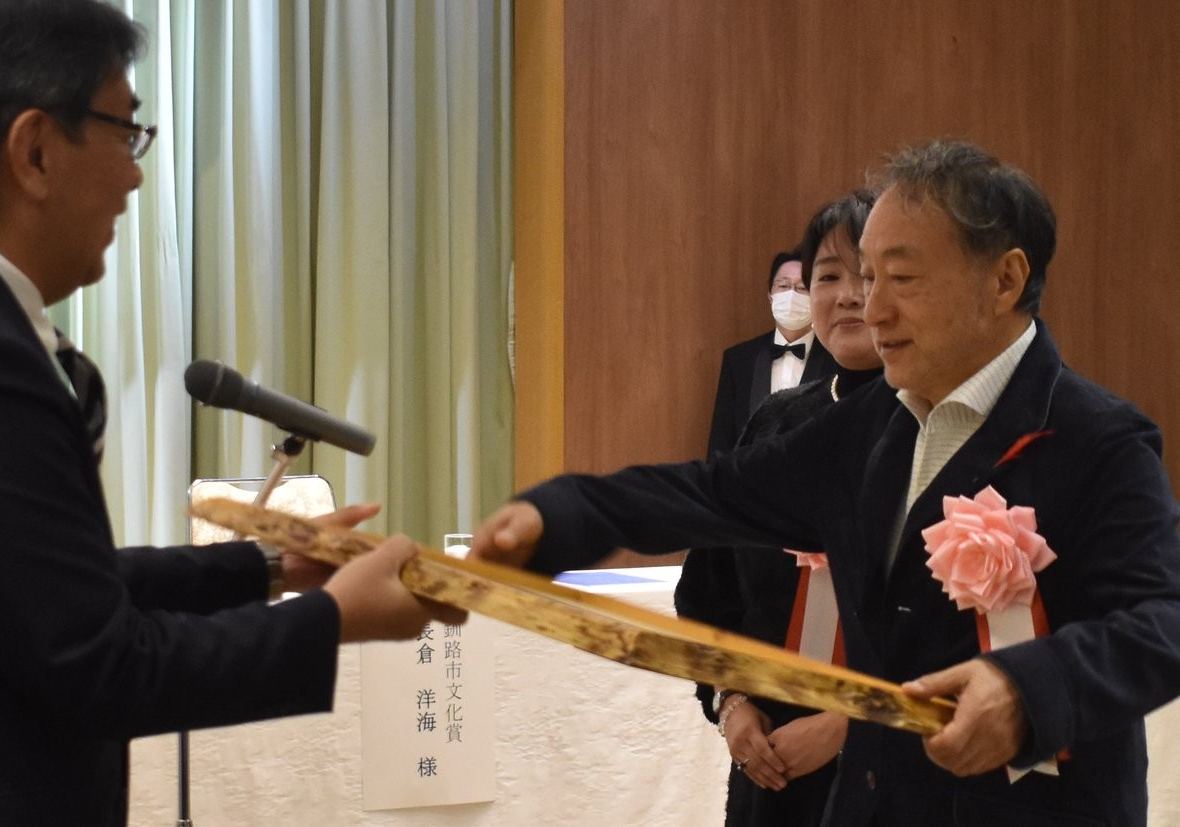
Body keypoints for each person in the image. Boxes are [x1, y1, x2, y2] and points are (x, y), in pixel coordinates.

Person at [472, 139, 1180, 825]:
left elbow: (1164, 621)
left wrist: (1029, 689)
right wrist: (561, 512)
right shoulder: (866, 428)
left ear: (1004, 280)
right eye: (865, 278)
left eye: (902, 279)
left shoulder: (1098, 439)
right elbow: (713, 492)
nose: (872, 310)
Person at [0, 2, 463, 824]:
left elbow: (56, 589)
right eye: (125, 131)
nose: (136, 176)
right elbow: (99, 663)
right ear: (35, 151)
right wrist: (336, 617)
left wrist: (272, 567)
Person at [676, 189, 882, 826]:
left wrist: (848, 727)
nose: (846, 296)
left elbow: (948, 636)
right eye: (827, 276)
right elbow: (708, 588)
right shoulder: (774, 424)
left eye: (868, 276)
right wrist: (732, 703)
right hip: (770, 768)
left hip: (889, 773)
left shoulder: (932, 429)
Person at [706, 250, 837, 457]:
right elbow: (721, 441)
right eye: (783, 286)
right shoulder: (739, 360)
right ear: (770, 296)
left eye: (802, 287)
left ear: (816, 298)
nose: (791, 294)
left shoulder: (838, 360)